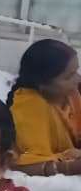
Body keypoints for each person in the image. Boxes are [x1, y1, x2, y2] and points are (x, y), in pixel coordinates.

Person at [7, 38, 81, 176]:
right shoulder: (29, 106)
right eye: (69, 76)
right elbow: (26, 164)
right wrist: (70, 166)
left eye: (76, 71)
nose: (78, 79)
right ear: (42, 84)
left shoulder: (71, 94)